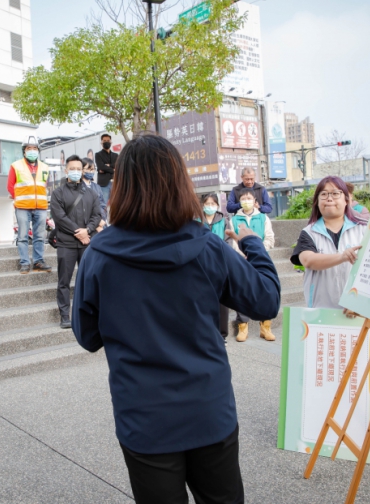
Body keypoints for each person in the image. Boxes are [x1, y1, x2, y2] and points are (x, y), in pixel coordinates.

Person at [72, 134, 281, 504]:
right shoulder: (208, 245)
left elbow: (87, 337)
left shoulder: (98, 255)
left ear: (122, 187)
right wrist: (250, 242)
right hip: (209, 409)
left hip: (144, 418)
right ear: (179, 182)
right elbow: (265, 300)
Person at [290, 176, 367, 309]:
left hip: (357, 311)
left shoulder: (363, 229)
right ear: (317, 202)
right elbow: (309, 260)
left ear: (347, 199)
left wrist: (362, 303)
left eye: (336, 194)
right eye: (324, 194)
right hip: (321, 313)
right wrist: (342, 257)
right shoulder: (309, 232)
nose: (329, 198)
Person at [50, 155, 101, 329]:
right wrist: (79, 232)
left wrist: (87, 230)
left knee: (89, 280)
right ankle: (65, 316)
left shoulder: (92, 193)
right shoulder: (57, 193)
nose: (76, 172)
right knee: (64, 281)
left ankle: (90, 315)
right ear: (66, 170)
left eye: (79, 169)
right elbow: (59, 217)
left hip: (87, 242)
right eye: (72, 168)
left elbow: (97, 215)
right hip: (66, 243)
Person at [231, 188, 276, 342]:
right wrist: (241, 253)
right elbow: (233, 240)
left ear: (255, 201)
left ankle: (266, 327)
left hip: (261, 259)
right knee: (242, 291)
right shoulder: (234, 219)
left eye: (249, 198)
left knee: (265, 291)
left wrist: (259, 251)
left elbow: (269, 238)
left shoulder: (263, 218)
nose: (246, 201)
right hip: (242, 260)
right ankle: (243, 326)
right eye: (243, 198)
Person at [7, 141, 52, 274]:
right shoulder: (16, 166)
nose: (32, 151)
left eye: (34, 148)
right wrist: (18, 197)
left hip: (41, 206)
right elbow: (10, 186)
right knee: (22, 236)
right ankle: (25, 263)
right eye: (29, 148)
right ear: (24, 151)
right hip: (22, 206)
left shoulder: (45, 167)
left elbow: (45, 185)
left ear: (38, 150)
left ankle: (38, 261)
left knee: (39, 236)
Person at [198, 192, 230, 341]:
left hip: (219, 263)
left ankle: (222, 334)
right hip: (202, 264)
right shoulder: (196, 221)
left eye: (212, 204)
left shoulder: (224, 221)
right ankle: (206, 332)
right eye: (207, 204)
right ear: (202, 205)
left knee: (222, 300)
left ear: (217, 205)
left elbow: (228, 241)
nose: (210, 207)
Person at [81, 157, 107, 227]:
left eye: (92, 169)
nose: (91, 172)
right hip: (86, 224)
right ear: (81, 170)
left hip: (99, 222)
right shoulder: (77, 187)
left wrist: (102, 219)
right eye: (88, 169)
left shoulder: (97, 187)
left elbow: (102, 205)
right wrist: (95, 222)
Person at [95, 133, 118, 203]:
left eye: (108, 140)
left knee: (117, 204)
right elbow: (101, 166)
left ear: (111, 142)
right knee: (103, 204)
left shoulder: (116, 155)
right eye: (104, 141)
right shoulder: (98, 155)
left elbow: (118, 166)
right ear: (101, 142)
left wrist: (107, 166)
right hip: (104, 184)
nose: (106, 142)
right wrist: (113, 169)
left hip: (116, 182)